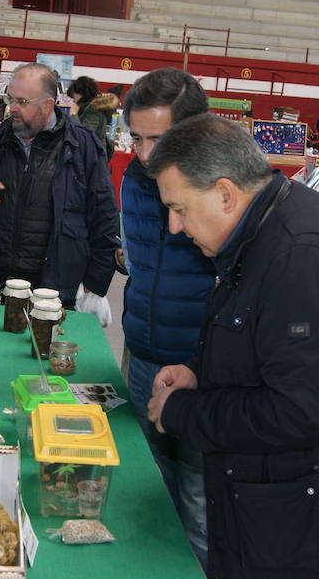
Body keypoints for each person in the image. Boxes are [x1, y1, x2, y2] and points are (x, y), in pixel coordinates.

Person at [146, 114, 319, 579]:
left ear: (224, 193)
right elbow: (263, 338)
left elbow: (301, 412)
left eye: (179, 209)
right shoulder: (264, 227)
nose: (175, 227)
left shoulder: (301, 257)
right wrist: (200, 371)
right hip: (291, 508)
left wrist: (183, 411)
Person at [119, 67, 214, 567]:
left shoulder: (222, 189)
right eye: (136, 137)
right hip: (142, 354)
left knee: (198, 504)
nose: (144, 152)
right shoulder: (136, 181)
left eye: (158, 138)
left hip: (198, 368)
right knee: (149, 488)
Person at [0, 62, 119, 316]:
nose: (12, 108)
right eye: (10, 99)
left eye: (22, 102)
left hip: (50, 291)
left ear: (48, 104)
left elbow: (105, 217)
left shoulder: (82, 146)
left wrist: (95, 282)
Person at [66, 75, 119, 159]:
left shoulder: (93, 110)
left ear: (80, 93)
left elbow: (84, 135)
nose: (73, 99)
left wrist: (74, 115)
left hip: (93, 157)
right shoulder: (90, 107)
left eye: (73, 96)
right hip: (93, 155)